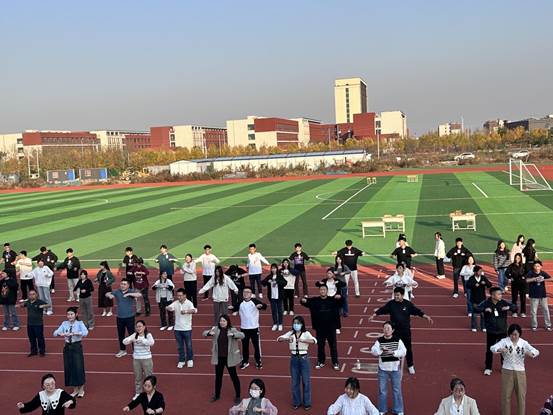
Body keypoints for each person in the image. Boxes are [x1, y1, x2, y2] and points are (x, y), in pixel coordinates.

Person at [370, 287, 433, 375]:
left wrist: (426, 317)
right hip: (394, 332)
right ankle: (393, 365)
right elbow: (382, 309)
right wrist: (374, 315)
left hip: (405, 331)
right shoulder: (391, 304)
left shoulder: (408, 304)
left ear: (402, 295)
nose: (396, 297)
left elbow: (417, 311)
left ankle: (410, 365)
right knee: (393, 347)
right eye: (395, 295)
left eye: (398, 295)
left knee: (408, 349)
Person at [490, 324, 539, 415]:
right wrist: (500, 349)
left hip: (520, 372)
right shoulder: (504, 341)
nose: (513, 337)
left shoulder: (523, 343)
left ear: (519, 334)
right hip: (507, 371)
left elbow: (536, 351)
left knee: (521, 396)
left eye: (515, 334)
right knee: (506, 396)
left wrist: (530, 353)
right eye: (511, 334)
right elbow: (492, 348)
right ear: (509, 334)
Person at [474, 286, 517, 375]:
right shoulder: (486, 303)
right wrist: (484, 309)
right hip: (491, 331)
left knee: (504, 350)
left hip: (502, 331)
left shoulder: (503, 302)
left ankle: (504, 367)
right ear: (492, 295)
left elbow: (514, 307)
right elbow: (476, 308)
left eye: (501, 294)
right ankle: (488, 368)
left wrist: (508, 308)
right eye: (499, 294)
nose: (500, 295)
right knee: (490, 350)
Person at [277, 316, 316, 410]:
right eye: (294, 323)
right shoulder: (290, 333)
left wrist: (303, 340)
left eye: (298, 323)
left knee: (306, 381)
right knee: (294, 382)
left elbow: (314, 340)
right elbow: (279, 338)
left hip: (304, 358)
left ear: (302, 324)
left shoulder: (306, 333)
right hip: (294, 358)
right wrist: (287, 339)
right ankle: (296, 402)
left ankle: (307, 403)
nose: (296, 325)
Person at [203, 314, 243, 404]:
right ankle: (217, 395)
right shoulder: (216, 329)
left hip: (230, 358)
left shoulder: (232, 329)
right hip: (219, 358)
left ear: (227, 322)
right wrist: (209, 333)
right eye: (221, 321)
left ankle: (238, 396)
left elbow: (242, 335)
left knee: (234, 377)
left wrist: (234, 335)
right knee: (218, 377)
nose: (222, 322)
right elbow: (204, 333)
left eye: (224, 321)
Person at [301, 284, 342, 370]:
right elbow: (304, 302)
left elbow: (341, 302)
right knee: (320, 346)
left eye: (324, 289)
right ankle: (321, 361)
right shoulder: (315, 300)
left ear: (327, 291)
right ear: (319, 291)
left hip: (331, 328)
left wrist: (340, 297)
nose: (323, 291)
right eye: (321, 290)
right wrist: (302, 300)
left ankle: (335, 362)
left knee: (333, 346)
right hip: (320, 328)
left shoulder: (332, 300)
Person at [370, 321, 406, 415]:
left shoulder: (397, 340)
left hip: (395, 369)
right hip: (383, 369)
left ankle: (398, 410)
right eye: (384, 328)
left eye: (388, 328)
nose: (386, 330)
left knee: (397, 391)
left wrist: (394, 352)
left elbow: (404, 351)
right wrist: (380, 350)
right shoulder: (379, 340)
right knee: (382, 391)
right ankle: (382, 409)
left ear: (392, 330)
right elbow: (373, 351)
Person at [53, 307, 88, 398]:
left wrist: (76, 333)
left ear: (76, 315)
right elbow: (55, 333)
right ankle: (75, 389)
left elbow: (85, 332)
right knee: (69, 368)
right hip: (67, 347)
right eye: (68, 314)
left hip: (76, 347)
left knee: (78, 367)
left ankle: (81, 389)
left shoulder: (80, 323)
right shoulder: (64, 323)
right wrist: (60, 333)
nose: (69, 316)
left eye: (71, 314)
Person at [230, 286, 267, 370]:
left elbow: (264, 306)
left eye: (248, 292)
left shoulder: (254, 301)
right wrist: (232, 308)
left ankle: (258, 360)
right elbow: (235, 307)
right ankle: (245, 361)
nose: (246, 294)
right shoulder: (240, 302)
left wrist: (261, 305)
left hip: (254, 328)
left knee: (256, 345)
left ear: (251, 294)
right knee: (245, 345)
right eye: (244, 292)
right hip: (244, 328)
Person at [106, 278, 142, 358]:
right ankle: (123, 350)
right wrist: (109, 295)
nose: (122, 285)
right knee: (121, 334)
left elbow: (139, 294)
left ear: (128, 285)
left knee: (132, 334)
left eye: (124, 284)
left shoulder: (131, 291)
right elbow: (107, 293)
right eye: (122, 284)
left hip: (130, 317)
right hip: (120, 317)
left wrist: (129, 294)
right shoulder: (117, 291)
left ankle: (135, 350)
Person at [123, 320, 155, 399]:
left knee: (149, 377)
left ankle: (150, 393)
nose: (138, 328)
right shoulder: (134, 335)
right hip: (136, 360)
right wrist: (130, 340)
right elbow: (124, 342)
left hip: (147, 359)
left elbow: (152, 343)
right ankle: (138, 393)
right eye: (137, 327)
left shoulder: (148, 335)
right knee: (138, 377)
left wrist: (142, 341)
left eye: (140, 326)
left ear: (144, 327)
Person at [166, 288, 197, 368]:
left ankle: (190, 359)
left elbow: (194, 310)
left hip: (187, 329)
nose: (178, 297)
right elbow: (170, 307)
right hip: (177, 329)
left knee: (189, 346)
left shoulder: (189, 303)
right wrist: (168, 308)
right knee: (180, 346)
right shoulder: (175, 303)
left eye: (180, 295)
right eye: (178, 295)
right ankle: (181, 360)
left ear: (184, 295)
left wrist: (186, 311)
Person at [316, 269, 346, 334]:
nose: (328, 275)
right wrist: (319, 283)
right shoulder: (324, 281)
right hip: (327, 298)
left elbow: (344, 284)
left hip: (334, 299)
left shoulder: (336, 280)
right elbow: (317, 284)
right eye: (327, 273)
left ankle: (337, 328)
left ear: (333, 274)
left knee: (335, 314)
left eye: (330, 273)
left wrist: (338, 283)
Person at [526, 260, 552, 331]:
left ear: (541, 267)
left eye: (538, 266)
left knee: (546, 310)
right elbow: (526, 280)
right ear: (533, 267)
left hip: (543, 295)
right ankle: (534, 325)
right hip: (533, 295)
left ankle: (548, 325)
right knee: (533, 311)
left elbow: (551, 278)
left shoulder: (543, 273)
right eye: (535, 266)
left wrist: (544, 279)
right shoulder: (531, 273)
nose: (537, 267)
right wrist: (535, 279)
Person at [22, 289, 49, 356]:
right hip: (30, 324)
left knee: (40, 338)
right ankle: (33, 351)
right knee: (31, 338)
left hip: (38, 324)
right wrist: (18, 305)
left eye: (33, 294)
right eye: (30, 294)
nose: (32, 295)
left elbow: (48, 305)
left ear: (36, 295)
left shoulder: (39, 302)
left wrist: (42, 306)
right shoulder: (28, 301)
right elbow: (23, 305)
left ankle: (42, 351)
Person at [466, 266, 492, 332]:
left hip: (482, 299)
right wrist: (474, 285)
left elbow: (490, 284)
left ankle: (483, 327)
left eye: (481, 271)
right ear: (475, 272)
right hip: (474, 299)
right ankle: (474, 326)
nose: (481, 272)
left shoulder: (483, 277)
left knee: (483, 313)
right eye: (479, 271)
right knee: (474, 313)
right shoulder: (471, 278)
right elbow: (468, 286)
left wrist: (485, 283)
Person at [261, 264, 287, 331]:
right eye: (272, 268)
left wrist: (277, 282)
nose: (273, 270)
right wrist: (267, 281)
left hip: (279, 296)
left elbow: (285, 283)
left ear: (277, 269)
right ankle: (275, 324)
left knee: (280, 310)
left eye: (274, 268)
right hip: (272, 297)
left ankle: (280, 324)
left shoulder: (280, 276)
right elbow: (263, 283)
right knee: (273, 310)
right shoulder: (269, 276)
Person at [507, 253, 527, 318]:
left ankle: (523, 312)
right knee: (514, 298)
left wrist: (524, 277)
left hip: (522, 284)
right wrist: (510, 277)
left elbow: (528, 273)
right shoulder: (511, 266)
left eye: (518, 258)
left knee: (523, 299)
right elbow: (506, 273)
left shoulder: (523, 265)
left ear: (520, 258)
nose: (517, 259)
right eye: (516, 258)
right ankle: (514, 312)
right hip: (514, 283)